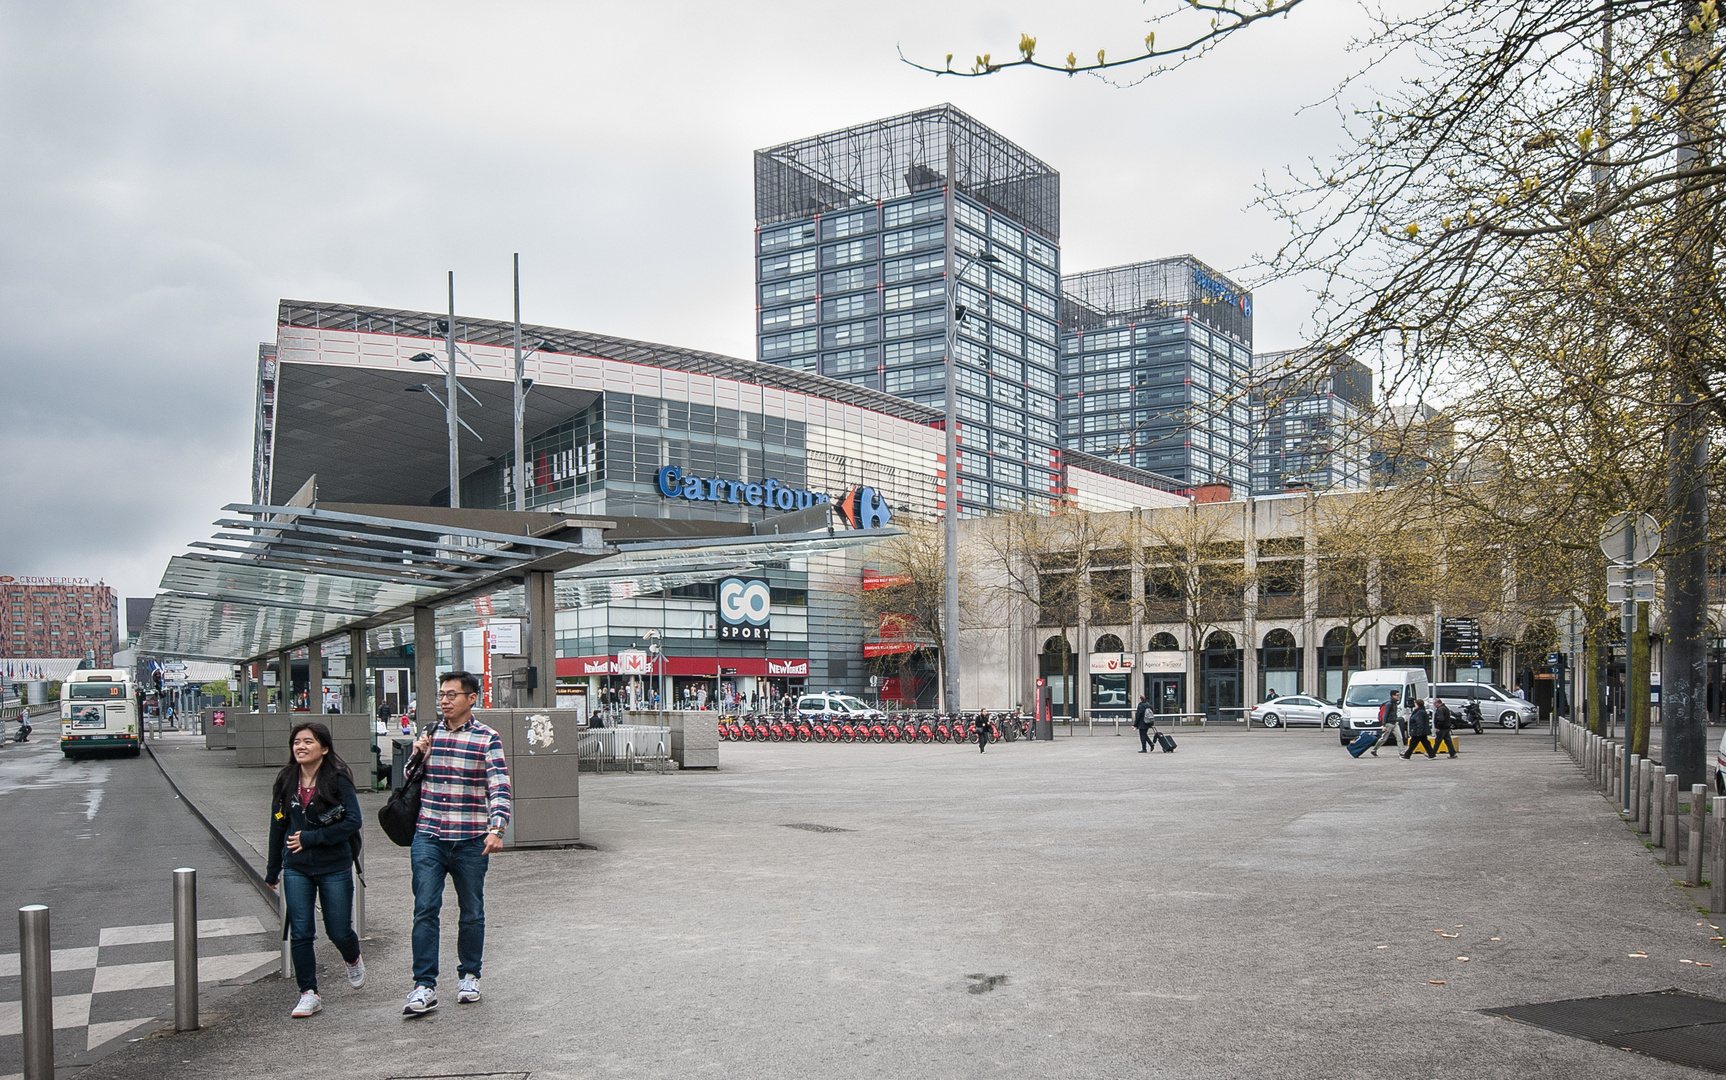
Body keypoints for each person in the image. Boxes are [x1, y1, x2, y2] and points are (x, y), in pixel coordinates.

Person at [403, 671, 512, 1017]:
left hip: (469, 839)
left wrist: (497, 828)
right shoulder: (429, 733)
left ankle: (469, 974)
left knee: (472, 910)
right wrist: (418, 754)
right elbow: (408, 777)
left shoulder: (486, 738)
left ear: (471, 698)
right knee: (425, 908)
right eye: (442, 694)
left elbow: (499, 787)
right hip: (429, 836)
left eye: (452, 694)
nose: (445, 700)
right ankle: (424, 985)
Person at [264, 721, 364, 1019]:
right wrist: (273, 868)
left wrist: (310, 838)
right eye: (296, 742)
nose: (301, 747)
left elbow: (353, 822)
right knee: (302, 932)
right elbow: (277, 825)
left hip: (334, 865)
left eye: (308, 742)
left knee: (338, 930)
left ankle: (352, 956)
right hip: (296, 868)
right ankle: (309, 993)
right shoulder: (286, 779)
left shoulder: (336, 779)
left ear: (323, 748)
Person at [1371, 690, 1401, 756]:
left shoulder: (1395, 703)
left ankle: (1402, 752)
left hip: (1394, 723)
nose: (1398, 696)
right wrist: (1384, 725)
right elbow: (1385, 714)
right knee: (1383, 739)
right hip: (1389, 723)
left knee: (1399, 738)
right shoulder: (1389, 704)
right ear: (1393, 696)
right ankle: (1374, 749)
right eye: (1397, 695)